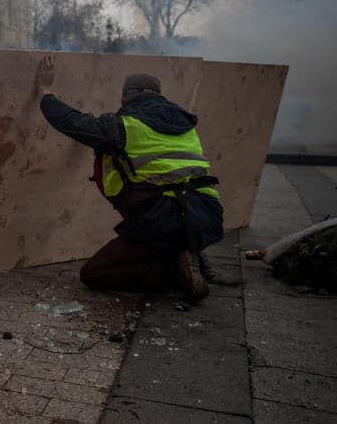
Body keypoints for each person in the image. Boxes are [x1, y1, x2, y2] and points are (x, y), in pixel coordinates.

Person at [34, 55, 223, 303]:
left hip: (164, 219)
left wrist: (44, 90)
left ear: (125, 97)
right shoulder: (185, 125)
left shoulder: (123, 126)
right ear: (159, 95)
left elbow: (71, 122)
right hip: (205, 214)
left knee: (94, 274)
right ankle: (188, 252)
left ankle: (172, 269)